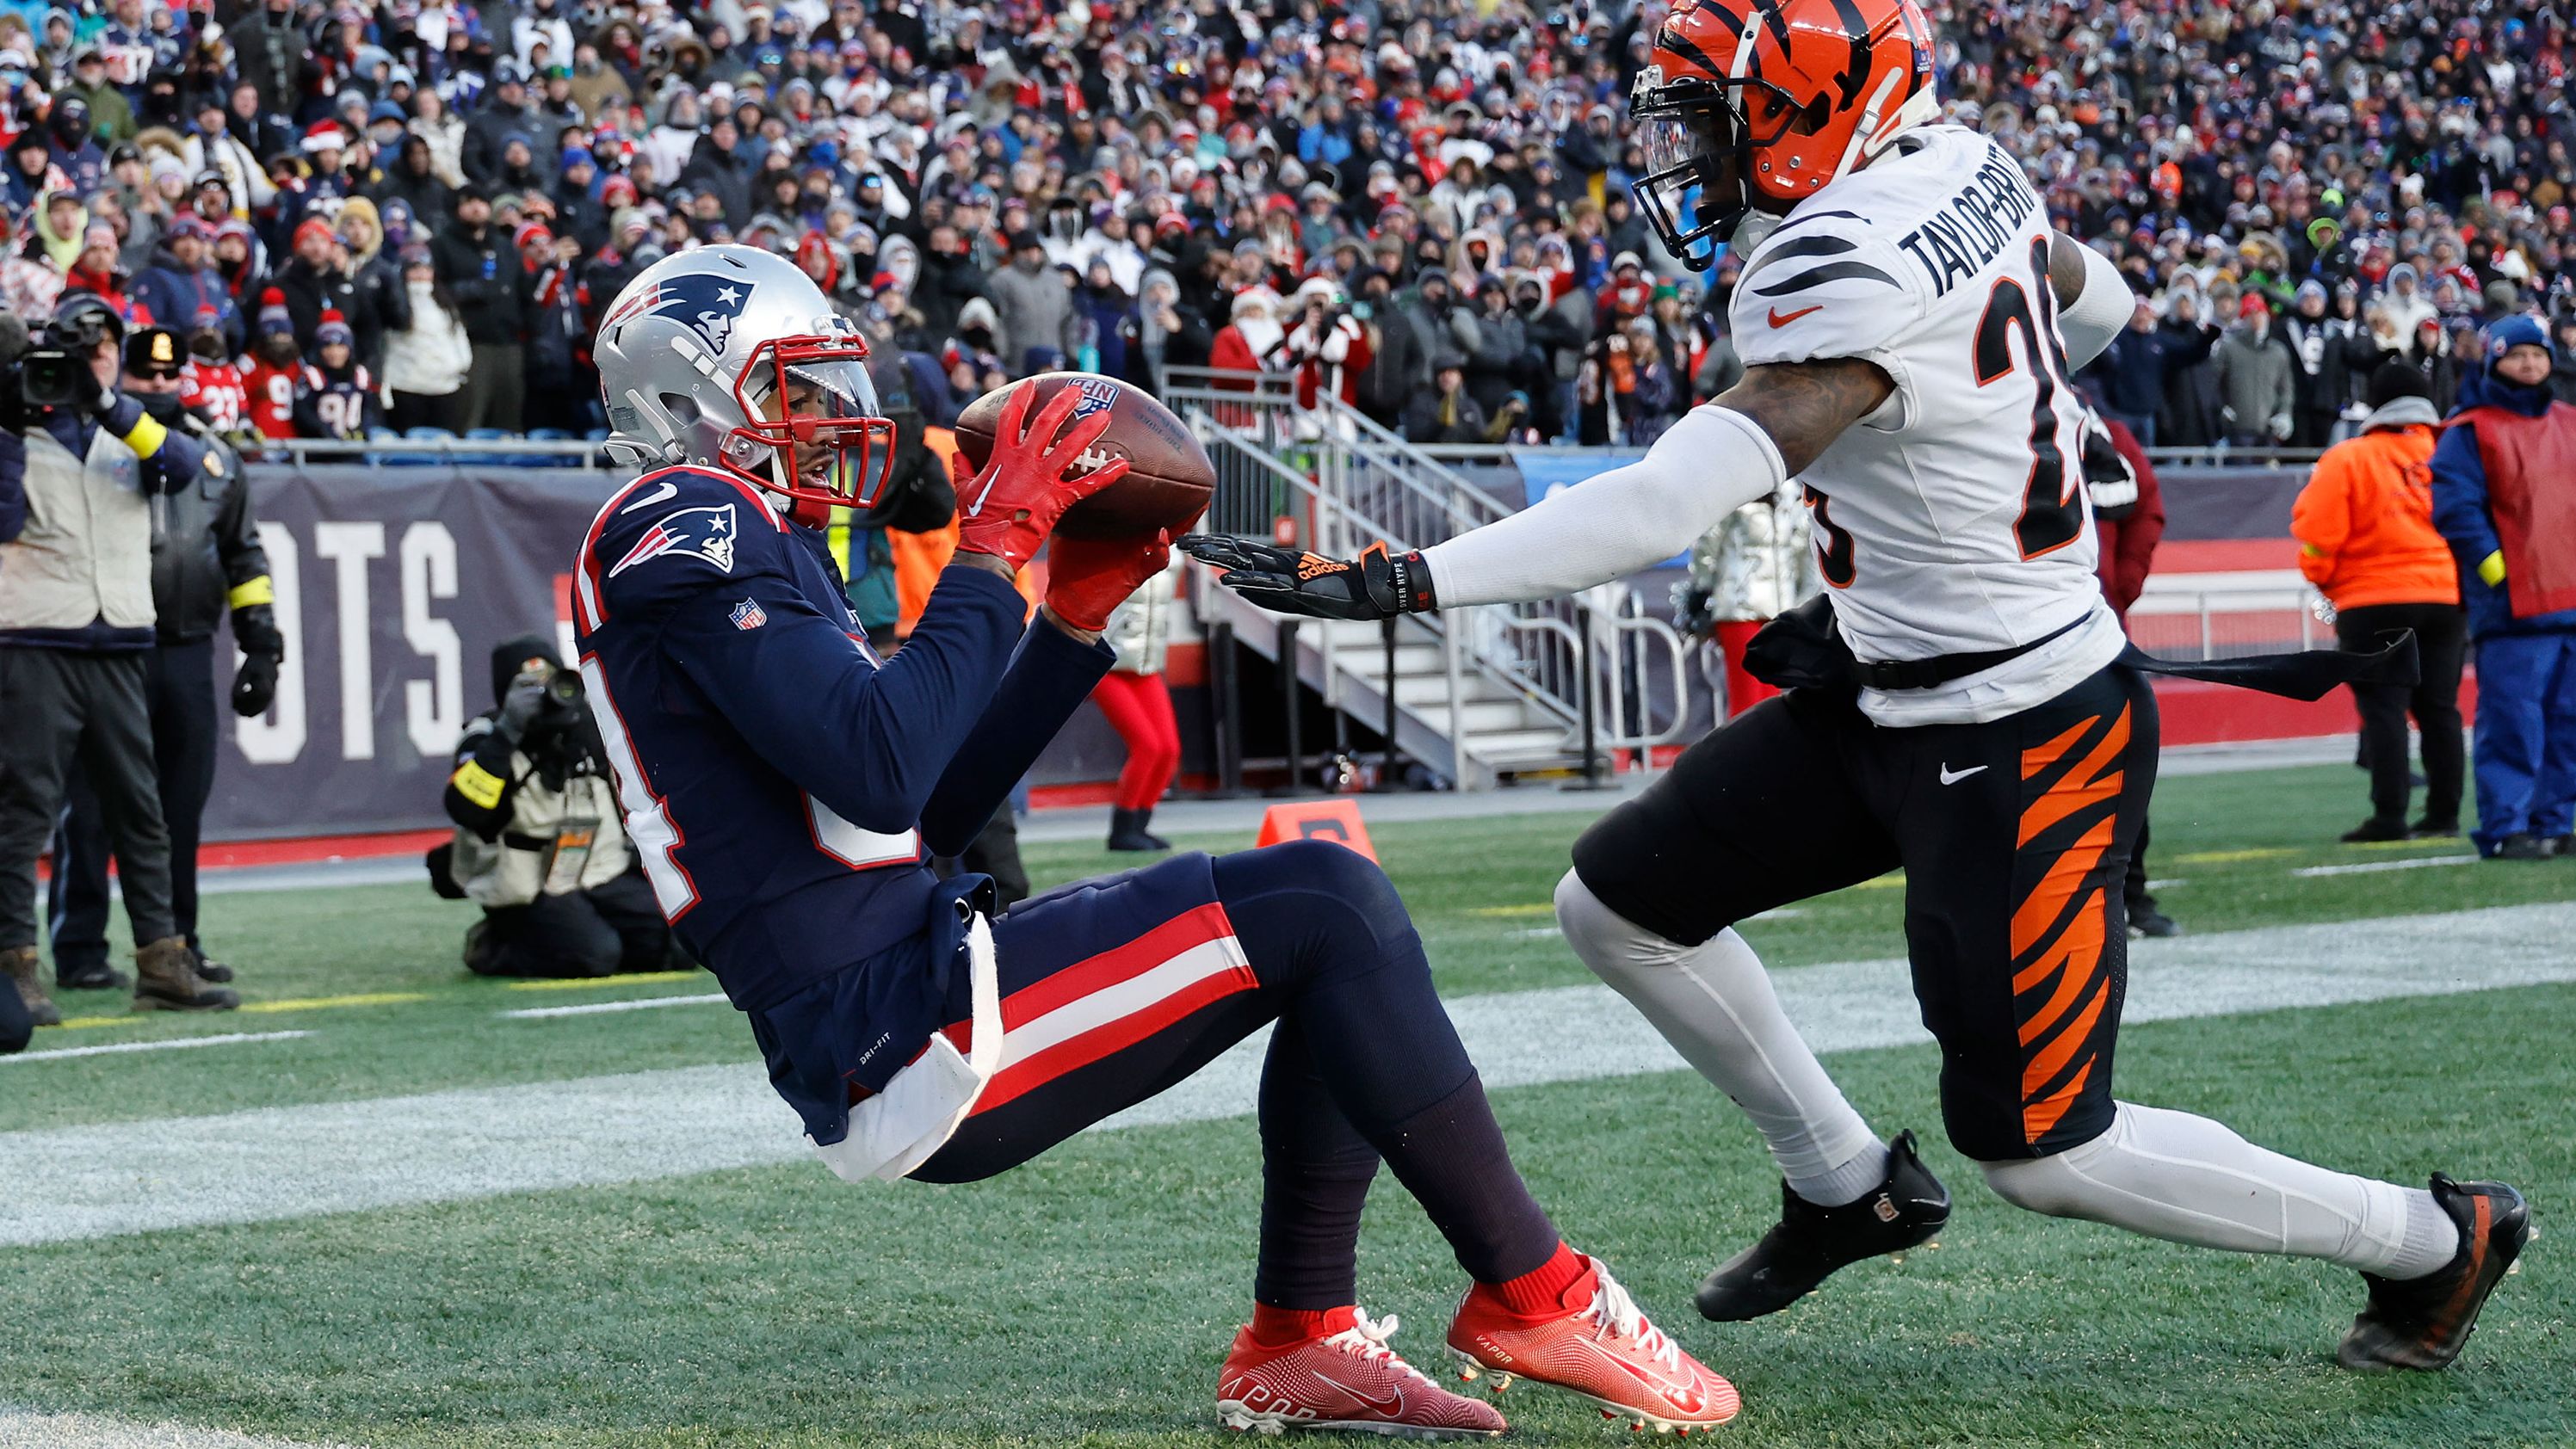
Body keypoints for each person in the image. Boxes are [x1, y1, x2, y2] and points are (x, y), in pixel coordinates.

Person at [1189, 0, 2525, 1376]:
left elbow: (1662, 502)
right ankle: (1842, 1181)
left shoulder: (1842, 262)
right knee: (1622, 907)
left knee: (2046, 1153)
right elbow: (2105, 300)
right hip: (1888, 685)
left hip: (2023, 724)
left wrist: (1406, 577)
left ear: (1819, 107)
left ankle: (2434, 1239)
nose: (1694, 153)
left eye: (1723, 117)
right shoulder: (1960, 164)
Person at [580, 247, 1738, 1437]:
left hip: (899, 982)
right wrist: (995, 545)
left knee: (1322, 935)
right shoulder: (676, 511)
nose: (832, 418)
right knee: (1328, 906)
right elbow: (881, 760)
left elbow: (907, 812)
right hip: (899, 1021)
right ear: (686, 404)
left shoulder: (733, 534)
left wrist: (1068, 623)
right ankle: (1537, 1293)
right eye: (795, 389)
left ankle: (1303, 1340)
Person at [0, 297, 236, 1023]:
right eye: (80, 350)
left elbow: (187, 467)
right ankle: (17, 970)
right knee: (25, 813)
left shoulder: (130, 429)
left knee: (142, 812)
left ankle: (164, 961)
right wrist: (11, 422)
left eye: (102, 349)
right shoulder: (15, 429)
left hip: (123, 641)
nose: (87, 361)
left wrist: (103, 402)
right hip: (37, 640)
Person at [46, 327, 281, 994]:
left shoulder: (214, 459)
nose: (156, 387)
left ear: (183, 378)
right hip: (109, 647)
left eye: (167, 376)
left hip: (184, 648)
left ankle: (178, 942)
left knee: (179, 807)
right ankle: (78, 944)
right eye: (144, 376)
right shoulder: (87, 448)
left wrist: (262, 643)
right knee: (90, 806)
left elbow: (243, 555)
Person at [2295, 363, 2468, 843]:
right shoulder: (2449, 455)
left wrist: (2324, 582)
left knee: (2385, 709)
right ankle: (2444, 814)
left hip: (2371, 600)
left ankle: (2390, 817)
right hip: (2444, 597)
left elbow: (2317, 536)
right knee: (2440, 708)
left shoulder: (2348, 458)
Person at [436, 635, 676, 978]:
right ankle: (494, 945)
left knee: (678, 940)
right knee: (593, 957)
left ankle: (584, 928)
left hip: (597, 869)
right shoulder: (484, 739)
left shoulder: (587, 728)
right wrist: (509, 732)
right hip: (527, 884)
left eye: (552, 682)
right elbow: (466, 812)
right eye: (528, 688)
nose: (545, 695)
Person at [2430, 315, 2576, 860]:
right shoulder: (2470, 430)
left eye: (2538, 355)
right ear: (2495, 360)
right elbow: (2456, 511)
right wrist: (2500, 572)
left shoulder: (2570, 421)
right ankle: (2505, 827)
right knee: (2513, 724)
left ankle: (2556, 822)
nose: (2531, 364)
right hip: (2515, 611)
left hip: (2569, 604)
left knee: (2568, 725)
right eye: (2518, 356)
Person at [1095, 552, 1184, 852]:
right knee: (1147, 746)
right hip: (1107, 663)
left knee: (1169, 749)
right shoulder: (1120, 532)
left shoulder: (1172, 542)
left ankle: (1139, 826)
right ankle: (1121, 830)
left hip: (1145, 664)